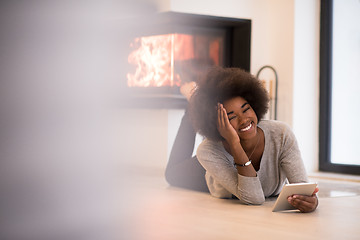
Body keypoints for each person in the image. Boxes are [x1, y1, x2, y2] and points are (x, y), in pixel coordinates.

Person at [185, 66, 318, 213]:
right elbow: (254, 198)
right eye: (231, 117)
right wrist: (234, 143)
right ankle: (188, 106)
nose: (243, 120)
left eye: (246, 109)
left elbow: (303, 188)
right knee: (172, 173)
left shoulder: (281, 134)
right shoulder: (207, 152)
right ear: (216, 124)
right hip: (212, 173)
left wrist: (311, 200)